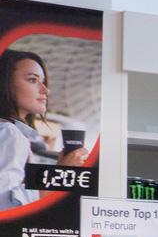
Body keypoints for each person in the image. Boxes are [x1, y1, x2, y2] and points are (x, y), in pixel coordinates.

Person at [0, 50, 91, 212]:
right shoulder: (10, 133)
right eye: (32, 80)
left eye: (43, 82)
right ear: (5, 83)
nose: (45, 90)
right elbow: (7, 205)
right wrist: (61, 173)